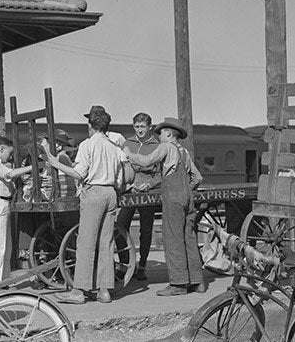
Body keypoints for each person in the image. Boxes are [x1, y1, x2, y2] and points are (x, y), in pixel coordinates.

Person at [44, 105, 131, 305]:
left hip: (94, 193)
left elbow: (80, 173)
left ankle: (79, 291)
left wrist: (56, 164)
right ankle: (104, 291)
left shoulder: (87, 145)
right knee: (106, 243)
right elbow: (121, 178)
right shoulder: (113, 146)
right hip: (111, 193)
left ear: (90, 126)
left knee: (85, 243)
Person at [125, 117, 205, 296]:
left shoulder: (166, 146)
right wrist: (186, 189)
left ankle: (178, 284)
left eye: (160, 133)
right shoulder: (184, 151)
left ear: (168, 133)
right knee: (189, 238)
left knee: (173, 238)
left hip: (173, 198)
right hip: (188, 199)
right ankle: (198, 281)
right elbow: (198, 178)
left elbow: (146, 161)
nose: (159, 136)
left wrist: (128, 154)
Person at [117, 112, 162, 281]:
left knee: (146, 229)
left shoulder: (157, 145)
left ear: (149, 127)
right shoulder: (127, 143)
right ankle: (125, 264)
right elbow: (120, 167)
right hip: (129, 189)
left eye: (143, 127)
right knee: (120, 226)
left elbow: (160, 175)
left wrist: (149, 185)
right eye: (137, 127)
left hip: (148, 192)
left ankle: (142, 266)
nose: (140, 130)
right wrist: (128, 184)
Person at [0, 138, 33, 282]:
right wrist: (32, 167)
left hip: (3, 204)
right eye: (9, 154)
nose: (10, 157)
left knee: (6, 247)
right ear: (1, 150)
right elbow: (10, 174)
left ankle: (2, 279)